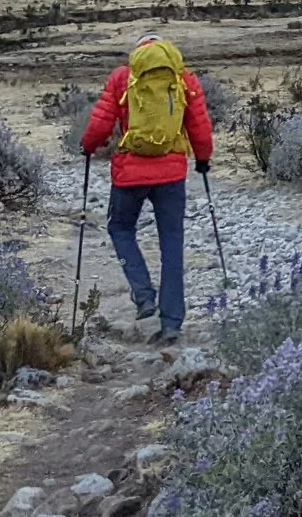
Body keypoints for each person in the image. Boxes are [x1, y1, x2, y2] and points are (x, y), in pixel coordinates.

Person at [80, 34, 214, 342]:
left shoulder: (123, 76)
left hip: (131, 172)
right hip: (171, 174)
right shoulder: (183, 78)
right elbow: (200, 125)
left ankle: (143, 296)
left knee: (120, 229)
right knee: (172, 243)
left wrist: (87, 146)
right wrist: (203, 159)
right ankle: (171, 323)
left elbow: (101, 122)